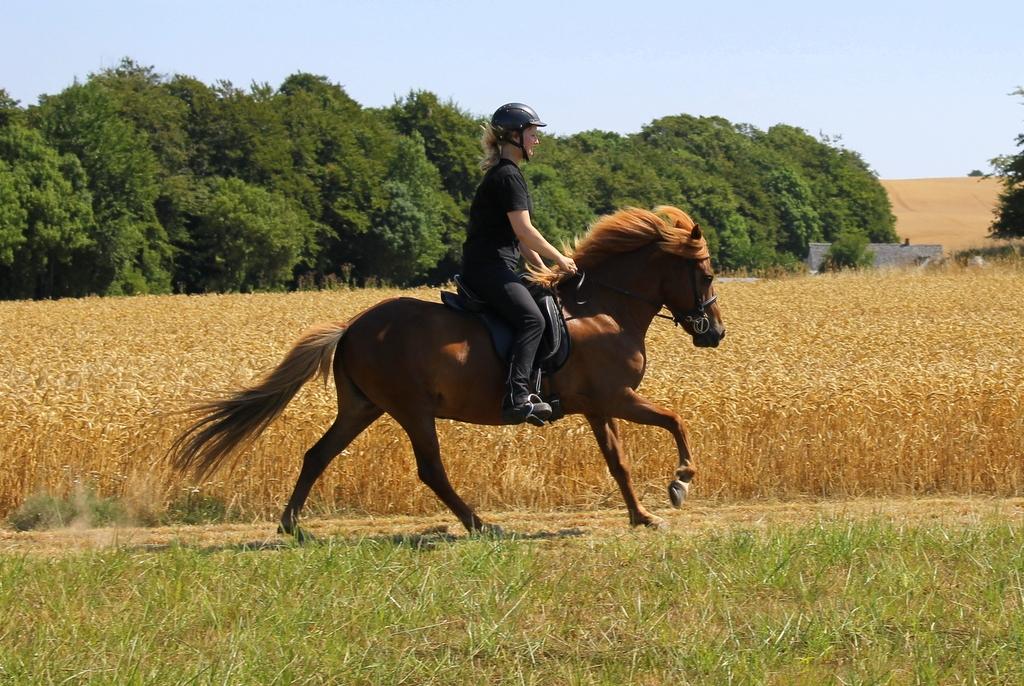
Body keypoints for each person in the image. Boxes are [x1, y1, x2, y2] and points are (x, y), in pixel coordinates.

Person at [460, 102, 578, 425]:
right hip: (488, 269)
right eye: (532, 133)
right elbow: (525, 230)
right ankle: (517, 397)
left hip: (493, 267)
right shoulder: (508, 176)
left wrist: (542, 271)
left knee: (542, 300)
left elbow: (520, 239)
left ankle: (540, 386)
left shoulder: (505, 174)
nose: (536, 140)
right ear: (514, 136)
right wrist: (560, 259)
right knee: (532, 320)